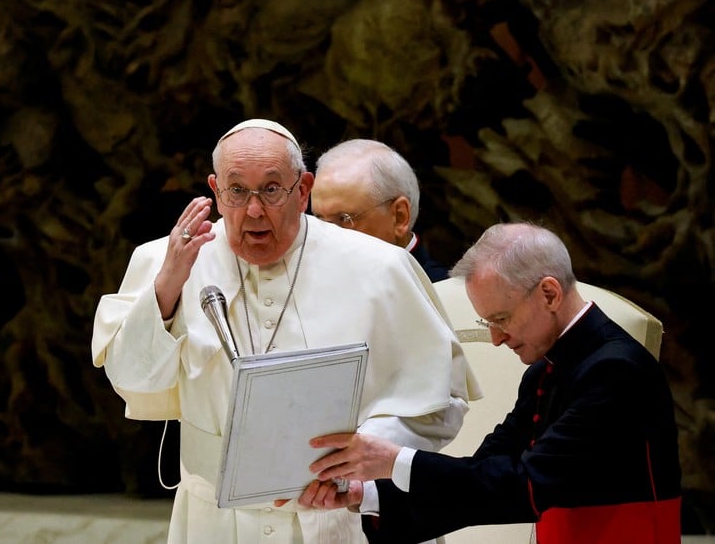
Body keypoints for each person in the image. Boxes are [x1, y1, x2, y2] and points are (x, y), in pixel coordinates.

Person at [91, 119, 480, 543]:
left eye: (272, 189)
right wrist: (167, 289)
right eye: (237, 190)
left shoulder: (380, 267)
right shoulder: (169, 262)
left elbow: (441, 398)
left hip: (343, 516)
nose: (254, 210)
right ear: (216, 191)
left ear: (303, 190)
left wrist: (360, 459)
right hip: (215, 520)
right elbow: (131, 381)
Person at [295, 222, 682, 544]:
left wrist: (394, 460)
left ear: (549, 293)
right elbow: (484, 474)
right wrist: (365, 493)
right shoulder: (545, 370)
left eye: (501, 319)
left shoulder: (616, 370)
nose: (496, 339)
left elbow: (527, 486)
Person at [310, 139, 448, 282]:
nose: (326, 240)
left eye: (343, 218)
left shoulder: (441, 291)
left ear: (399, 217)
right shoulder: (318, 280)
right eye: (320, 221)